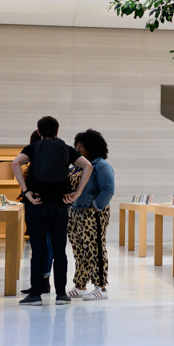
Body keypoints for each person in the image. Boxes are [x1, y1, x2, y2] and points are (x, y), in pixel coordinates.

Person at [11, 116, 92, 306]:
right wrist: (77, 192)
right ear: (57, 131)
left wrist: (26, 192)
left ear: (38, 132)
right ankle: (61, 294)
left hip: (37, 206)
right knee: (59, 251)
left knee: (38, 251)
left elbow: (15, 163)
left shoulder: (32, 148)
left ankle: (36, 294)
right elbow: (87, 165)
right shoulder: (66, 149)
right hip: (60, 206)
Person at [68, 128, 114, 300]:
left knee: (95, 248)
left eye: (81, 145)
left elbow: (108, 189)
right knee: (79, 250)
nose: (77, 148)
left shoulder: (101, 165)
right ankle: (80, 285)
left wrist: (95, 207)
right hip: (76, 213)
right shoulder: (76, 166)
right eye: (76, 145)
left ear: (91, 146)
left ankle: (101, 287)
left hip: (92, 213)